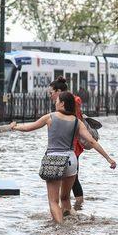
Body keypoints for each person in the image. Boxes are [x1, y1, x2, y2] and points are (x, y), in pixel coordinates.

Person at [10, 91, 116, 223]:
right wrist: (108, 158)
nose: (55, 102)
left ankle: (60, 230)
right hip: (71, 161)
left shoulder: (50, 117)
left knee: (53, 201)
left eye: (57, 101)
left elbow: (29, 128)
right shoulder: (77, 122)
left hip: (54, 159)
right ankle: (69, 227)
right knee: (65, 198)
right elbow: (92, 141)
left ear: (62, 103)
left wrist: (15, 127)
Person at [48, 77, 86, 207]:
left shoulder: (73, 101)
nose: (51, 96)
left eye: (51, 93)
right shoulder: (70, 102)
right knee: (70, 177)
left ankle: (78, 204)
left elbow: (73, 122)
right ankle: (72, 206)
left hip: (71, 145)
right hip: (67, 145)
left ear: (59, 91)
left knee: (73, 177)